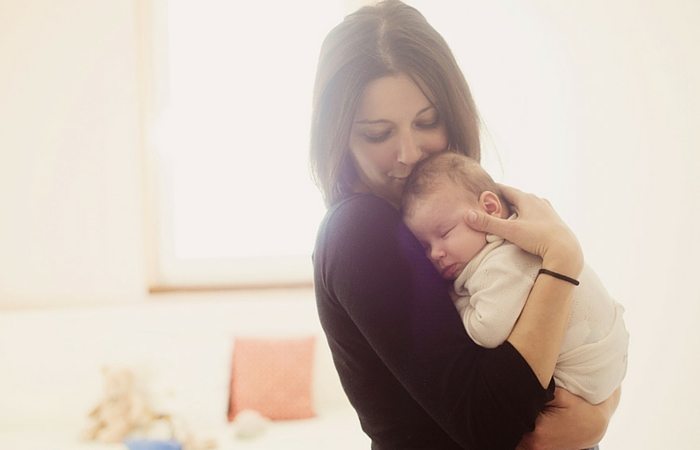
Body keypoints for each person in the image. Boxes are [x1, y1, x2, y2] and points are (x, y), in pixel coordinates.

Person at [309, 1, 620, 448]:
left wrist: (600, 409)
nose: (409, 153)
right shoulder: (360, 230)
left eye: (427, 122)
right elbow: (489, 424)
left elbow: (570, 342)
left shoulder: (451, 208)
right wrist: (562, 260)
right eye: (378, 133)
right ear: (338, 135)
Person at [401, 152, 629, 405]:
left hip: (584, 372)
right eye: (424, 246)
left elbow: (488, 331)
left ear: (489, 208)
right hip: (608, 362)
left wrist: (455, 302)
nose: (435, 253)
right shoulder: (518, 242)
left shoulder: (500, 261)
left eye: (444, 232)